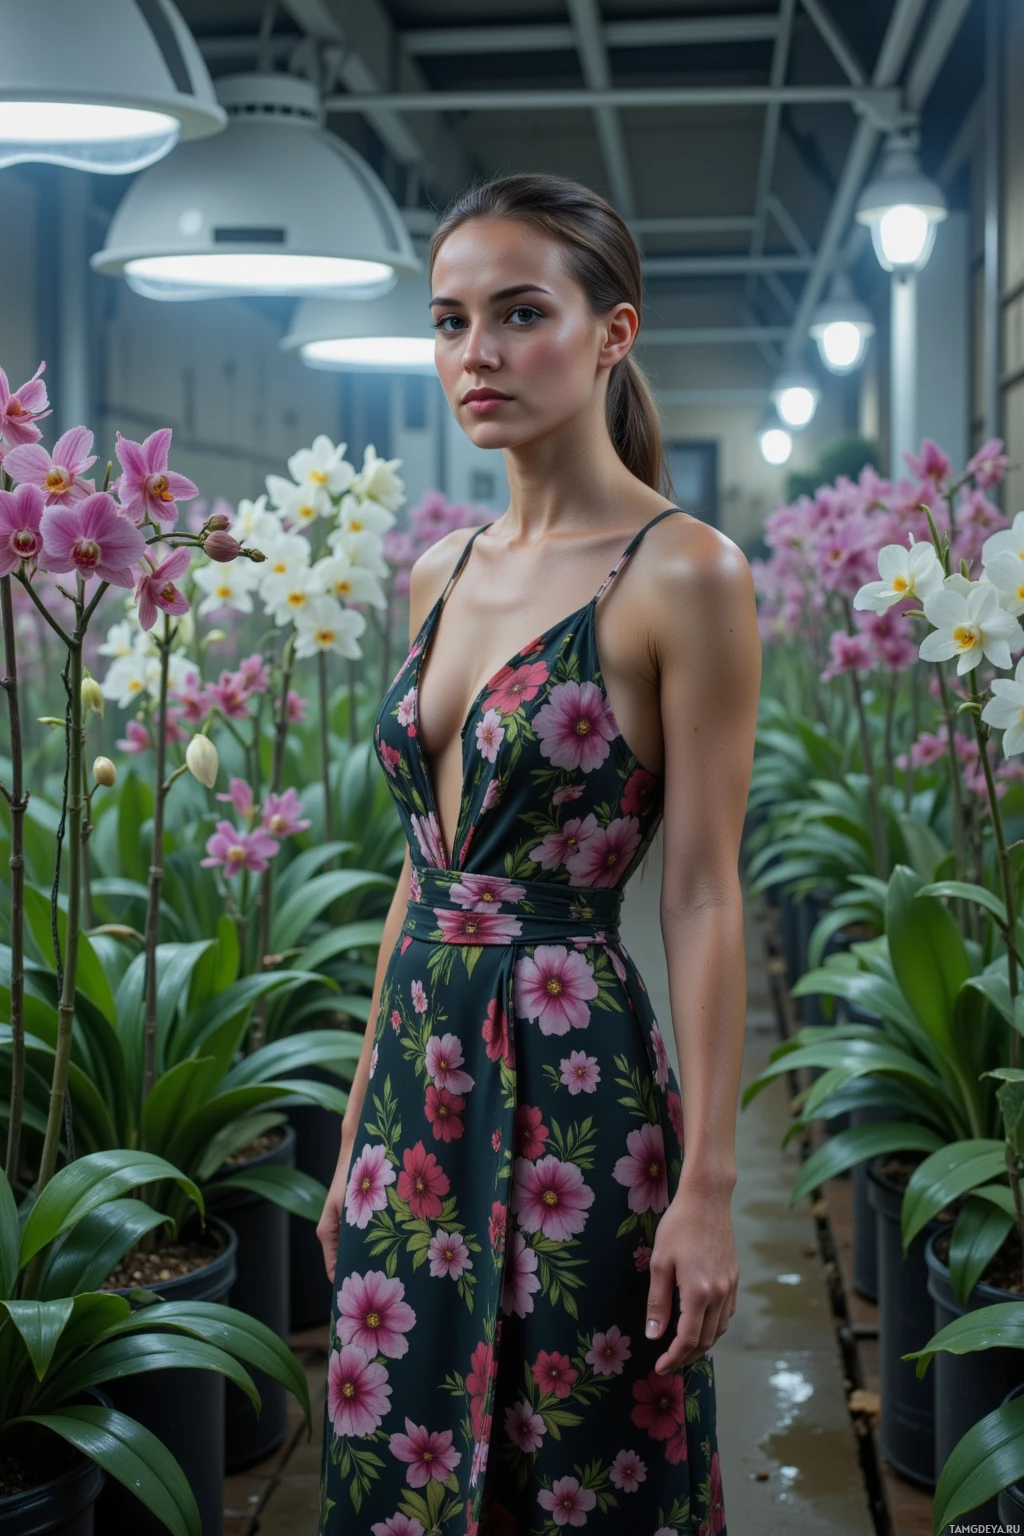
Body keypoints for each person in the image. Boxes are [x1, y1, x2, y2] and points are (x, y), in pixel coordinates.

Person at [316, 170, 760, 1536]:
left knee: (586, 1454)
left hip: (580, 1083)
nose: (479, 355)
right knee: (399, 1453)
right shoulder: (438, 571)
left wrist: (710, 1184)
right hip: (414, 1080)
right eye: (450, 323)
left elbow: (697, 893)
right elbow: (421, 867)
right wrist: (352, 1124)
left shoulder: (681, 573)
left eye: (520, 314)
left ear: (612, 331)